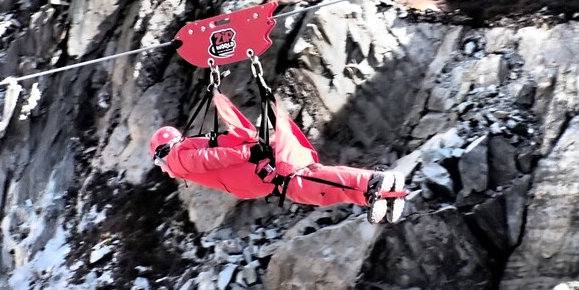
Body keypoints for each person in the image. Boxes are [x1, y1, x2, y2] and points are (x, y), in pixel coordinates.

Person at [148, 94, 406, 223]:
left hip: (265, 168)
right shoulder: (184, 153)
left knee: (315, 186)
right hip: (266, 171)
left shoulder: (177, 159)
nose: (162, 169)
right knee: (316, 185)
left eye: (158, 162)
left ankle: (374, 184)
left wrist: (246, 153)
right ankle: (374, 193)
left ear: (163, 152)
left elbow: (209, 158)